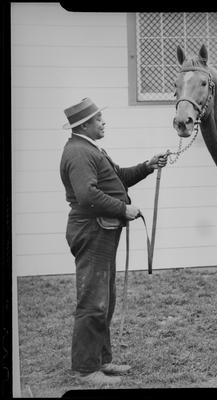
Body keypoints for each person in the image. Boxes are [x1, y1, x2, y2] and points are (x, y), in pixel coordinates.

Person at [59, 98, 168, 385]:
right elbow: (87, 196)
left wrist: (148, 165)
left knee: (105, 300)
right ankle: (85, 369)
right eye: (98, 119)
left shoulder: (91, 149)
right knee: (93, 302)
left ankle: (101, 361)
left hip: (102, 230)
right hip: (91, 230)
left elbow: (118, 178)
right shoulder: (79, 153)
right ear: (84, 125)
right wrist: (124, 209)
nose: (103, 122)